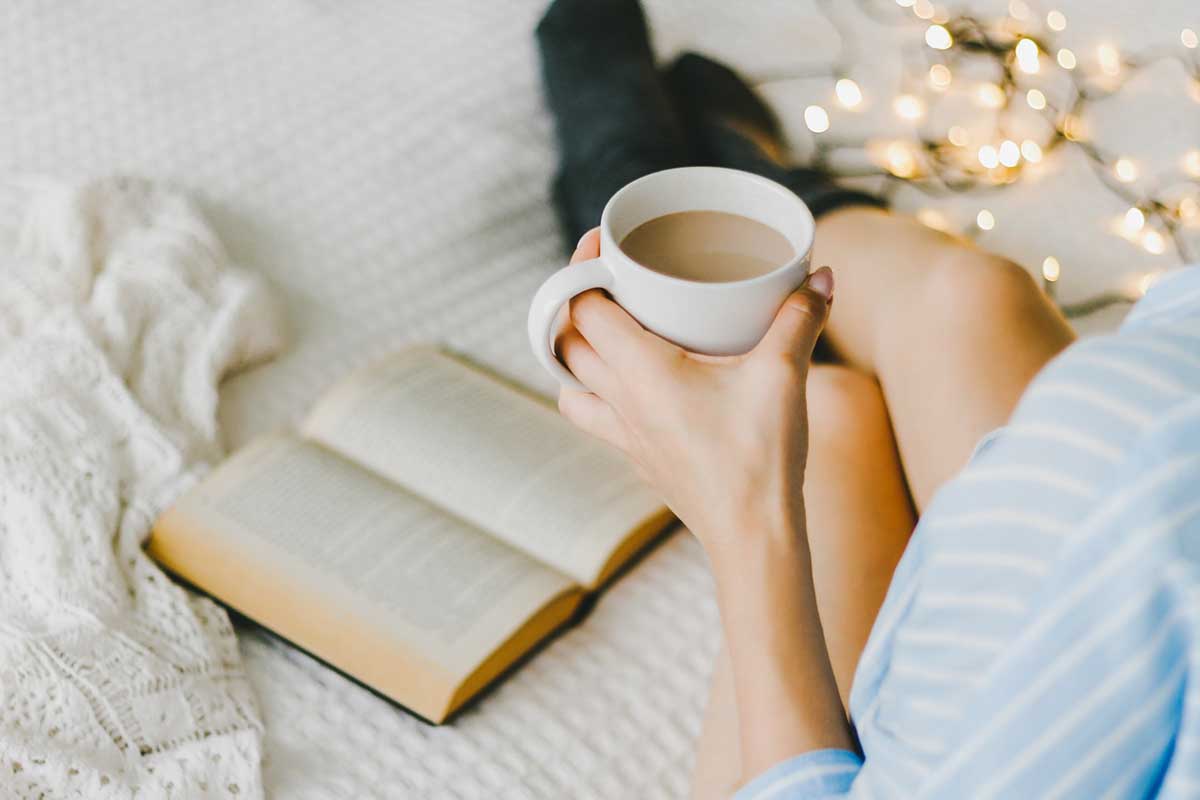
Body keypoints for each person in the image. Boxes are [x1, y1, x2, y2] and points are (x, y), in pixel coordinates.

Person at [536, 1, 1200, 798]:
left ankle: (621, 180)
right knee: (974, 295)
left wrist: (746, 523)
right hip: (1052, 561)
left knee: (831, 415)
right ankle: (775, 191)